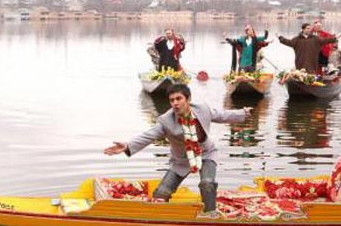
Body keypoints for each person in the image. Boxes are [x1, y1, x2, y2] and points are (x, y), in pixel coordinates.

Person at [103, 84, 251, 212]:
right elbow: (149, 135)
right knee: (161, 193)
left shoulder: (203, 109)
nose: (175, 103)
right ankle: (161, 220)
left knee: (207, 183)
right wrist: (128, 146)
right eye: (172, 100)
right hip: (181, 160)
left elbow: (222, 115)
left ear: (188, 99)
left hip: (206, 154)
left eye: (178, 99)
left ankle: (210, 215)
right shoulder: (165, 121)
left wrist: (242, 113)